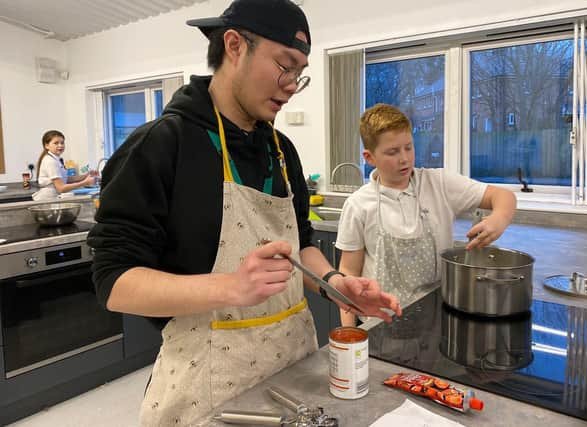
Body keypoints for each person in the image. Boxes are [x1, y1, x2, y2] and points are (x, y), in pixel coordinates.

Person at [87, 1, 401, 425]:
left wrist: (337, 284)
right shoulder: (162, 145)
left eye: (299, 73)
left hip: (293, 373)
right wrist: (231, 288)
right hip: (205, 388)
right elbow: (115, 282)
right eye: (284, 66)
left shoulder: (280, 149)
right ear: (235, 45)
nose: (291, 85)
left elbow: (301, 246)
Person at [336, 104, 516, 327]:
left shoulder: (439, 183)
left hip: (436, 318)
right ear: (369, 157)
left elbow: (503, 196)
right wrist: (349, 334)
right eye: (392, 152)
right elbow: (348, 274)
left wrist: (500, 218)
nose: (404, 159)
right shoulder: (358, 205)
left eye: (408, 148)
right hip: (380, 323)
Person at [32, 130, 95, 201]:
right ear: (47, 146)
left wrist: (86, 176)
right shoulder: (50, 161)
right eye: (56, 143)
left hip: (53, 198)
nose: (60, 145)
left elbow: (65, 178)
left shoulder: (56, 159)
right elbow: (61, 188)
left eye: (62, 143)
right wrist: (85, 182)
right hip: (47, 200)